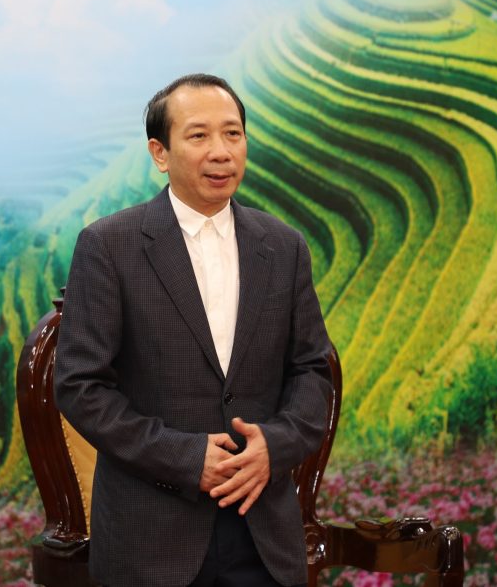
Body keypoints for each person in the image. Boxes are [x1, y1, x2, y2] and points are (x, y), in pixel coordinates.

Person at [54, 73, 332, 587]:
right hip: (152, 541)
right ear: (160, 153)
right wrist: (184, 457)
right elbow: (80, 386)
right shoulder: (109, 246)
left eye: (233, 134)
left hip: (263, 536)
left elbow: (313, 371)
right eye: (199, 135)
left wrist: (274, 446)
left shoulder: (284, 246)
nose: (221, 152)